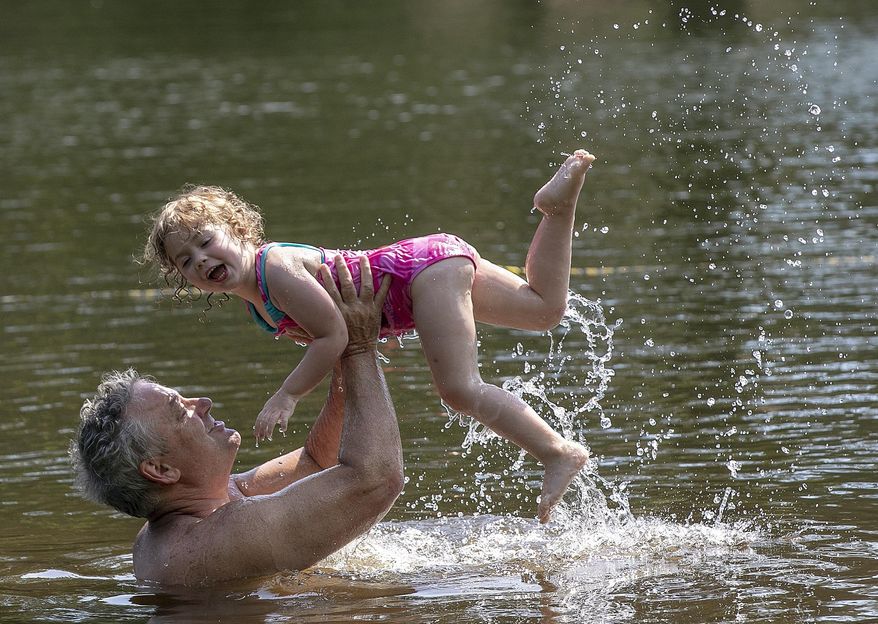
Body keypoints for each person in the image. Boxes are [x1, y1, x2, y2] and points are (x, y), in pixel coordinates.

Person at [142, 149, 596, 523]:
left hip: (421, 277)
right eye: (185, 261)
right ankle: (558, 209)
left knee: (459, 388)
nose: (200, 259)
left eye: (206, 241)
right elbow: (338, 332)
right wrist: (379, 332)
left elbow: (333, 334)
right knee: (544, 310)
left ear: (239, 230)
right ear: (187, 281)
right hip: (429, 268)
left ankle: (557, 452)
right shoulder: (258, 306)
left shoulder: (273, 270)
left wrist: (287, 395)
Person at [71, 257, 404, 586]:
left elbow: (318, 463)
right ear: (160, 470)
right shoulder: (222, 535)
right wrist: (361, 346)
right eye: (179, 410)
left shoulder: (205, 505)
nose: (202, 404)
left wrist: (341, 349)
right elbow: (376, 479)